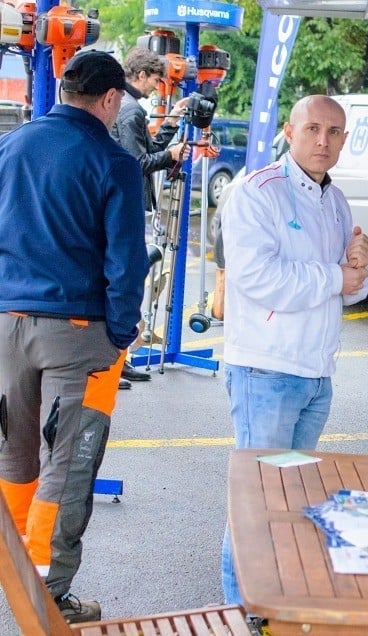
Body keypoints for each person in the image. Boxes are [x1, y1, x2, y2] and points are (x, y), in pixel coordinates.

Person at [0, 50, 149, 623]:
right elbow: (126, 262)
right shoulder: (112, 162)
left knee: (13, 457)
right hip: (78, 335)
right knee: (69, 464)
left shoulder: (10, 146)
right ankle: (47, 596)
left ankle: (13, 575)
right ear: (110, 99)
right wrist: (120, 332)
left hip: (9, 328)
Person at [219, 95, 368, 613]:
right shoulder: (257, 192)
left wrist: (357, 268)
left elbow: (346, 291)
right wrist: (337, 276)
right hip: (266, 369)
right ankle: (242, 614)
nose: (323, 141)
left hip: (315, 373)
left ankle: (274, 610)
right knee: (255, 504)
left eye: (334, 132)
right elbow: (257, 278)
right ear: (289, 131)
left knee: (294, 504)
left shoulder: (337, 201)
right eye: (312, 128)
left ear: (345, 140)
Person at [111, 47, 190, 385]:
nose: (159, 86)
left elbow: (148, 151)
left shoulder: (129, 109)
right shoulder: (130, 112)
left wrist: (171, 122)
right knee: (125, 282)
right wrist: (170, 154)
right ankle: (117, 359)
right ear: (140, 75)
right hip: (127, 204)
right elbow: (137, 163)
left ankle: (120, 357)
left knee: (126, 282)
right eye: (156, 79)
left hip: (125, 203)